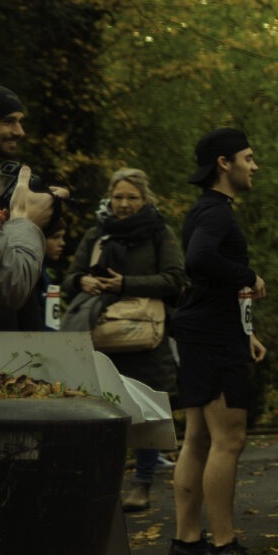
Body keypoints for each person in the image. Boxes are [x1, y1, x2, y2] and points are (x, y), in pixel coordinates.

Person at [160, 128, 270, 555]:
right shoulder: (216, 213)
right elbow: (200, 260)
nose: (254, 165)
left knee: (198, 439)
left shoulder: (207, 210)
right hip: (211, 340)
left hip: (204, 333)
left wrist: (245, 329)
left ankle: (186, 546)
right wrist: (248, 275)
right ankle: (224, 548)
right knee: (230, 439)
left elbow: (204, 278)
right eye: (248, 157)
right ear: (224, 163)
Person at [64, 168, 188, 508]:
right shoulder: (96, 234)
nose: (123, 204)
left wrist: (125, 284)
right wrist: (82, 283)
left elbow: (175, 280)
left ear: (145, 200)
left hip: (144, 336)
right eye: (118, 196)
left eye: (131, 197)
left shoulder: (160, 234)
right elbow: (70, 276)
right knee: (102, 410)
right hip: (101, 335)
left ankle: (142, 483)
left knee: (144, 410)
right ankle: (103, 485)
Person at [0, 85, 56, 327]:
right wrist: (24, 222)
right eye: (8, 121)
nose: (20, 132)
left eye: (20, 122)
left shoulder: (12, 182)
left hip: (16, 324)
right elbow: (8, 282)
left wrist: (52, 209)